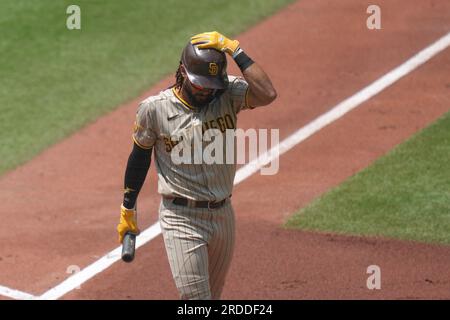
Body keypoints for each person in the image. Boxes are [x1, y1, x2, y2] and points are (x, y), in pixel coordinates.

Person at [116, 31, 277, 300]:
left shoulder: (227, 95)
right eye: (200, 83)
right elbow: (139, 157)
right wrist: (127, 208)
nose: (206, 90)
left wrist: (235, 50)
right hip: (182, 218)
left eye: (211, 84)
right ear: (182, 72)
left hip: (224, 215)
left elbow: (268, 94)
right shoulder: (154, 110)